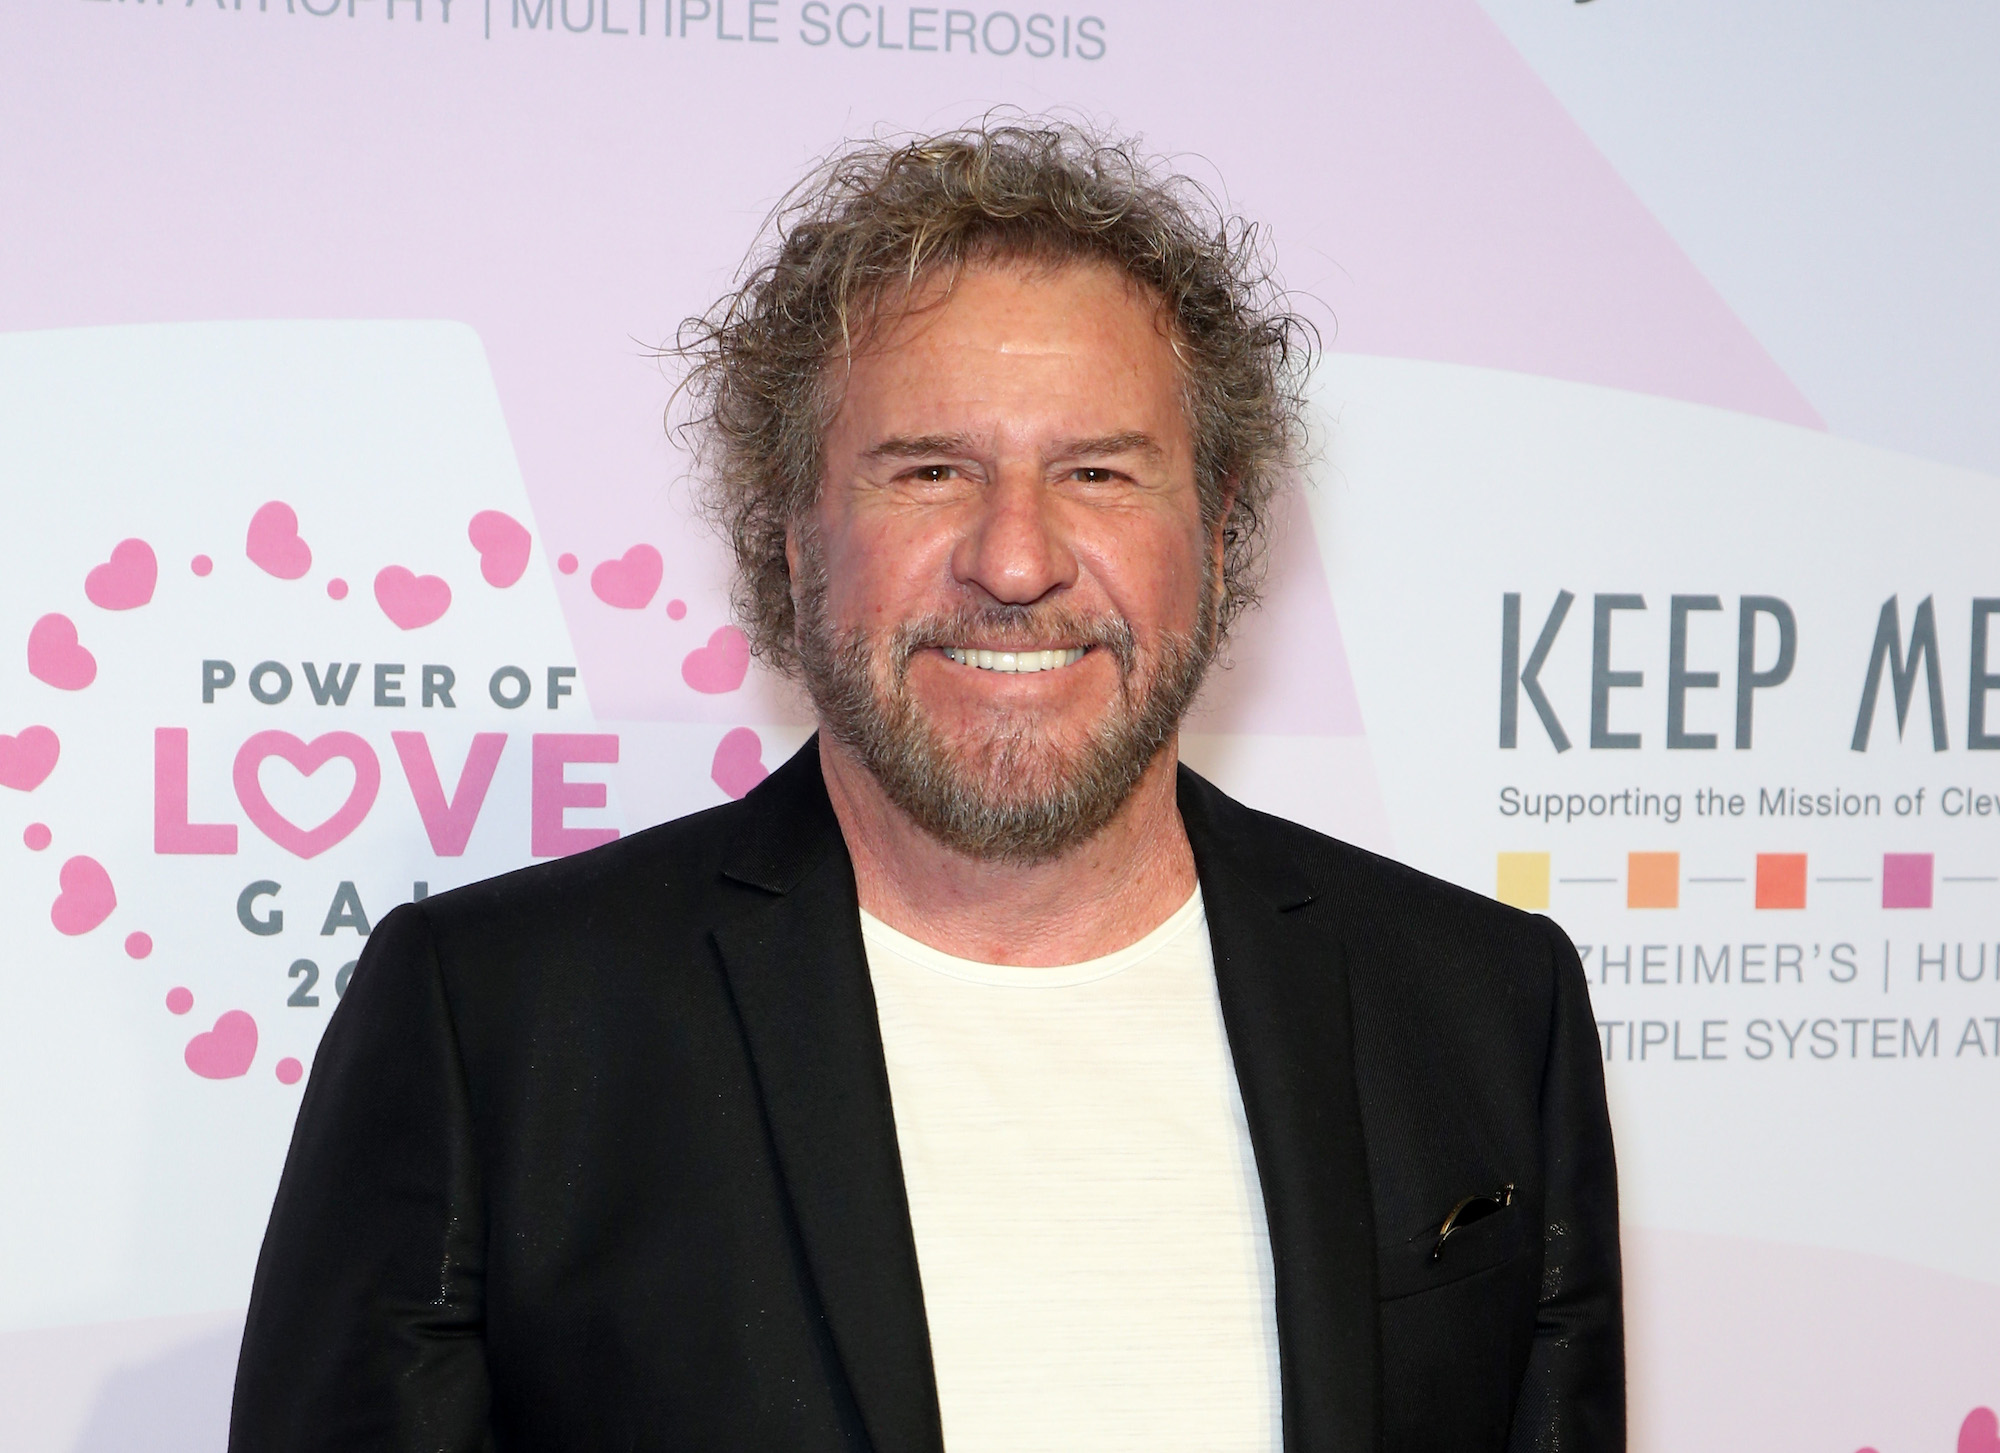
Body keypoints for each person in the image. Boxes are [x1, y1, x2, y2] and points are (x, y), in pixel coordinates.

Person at [230, 121, 1622, 1452]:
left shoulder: (1484, 1007)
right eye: (931, 470)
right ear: (796, 539)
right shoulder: (497, 1024)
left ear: (1215, 534)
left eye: (1098, 472)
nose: (1014, 560)